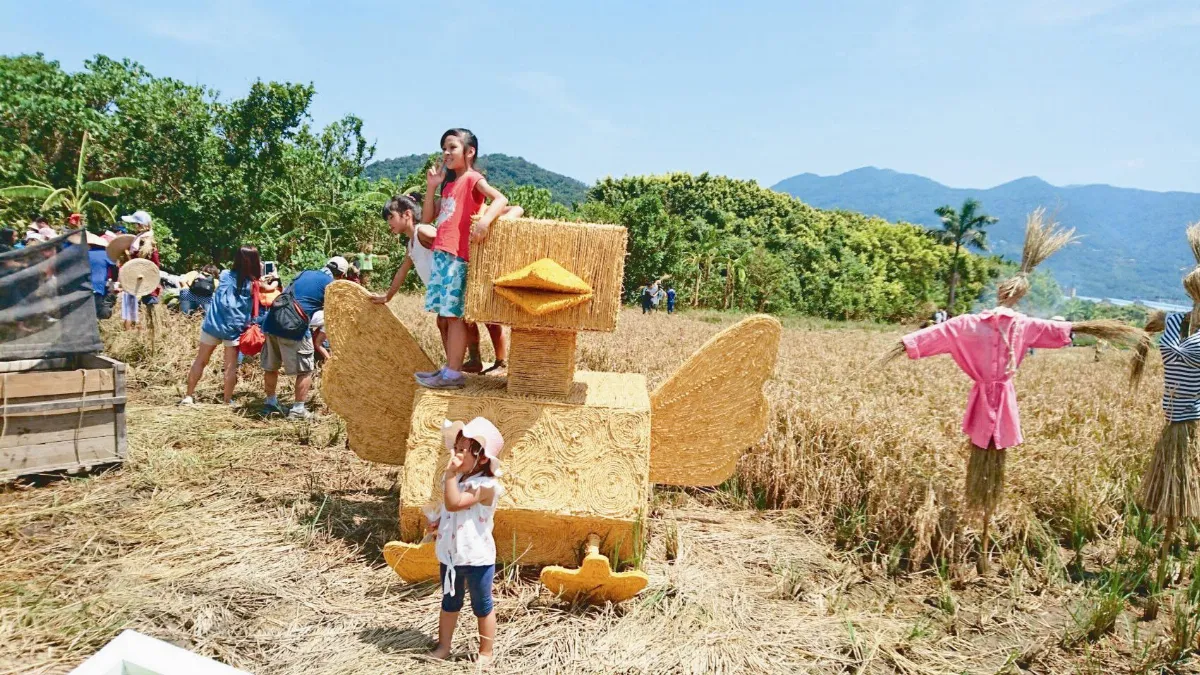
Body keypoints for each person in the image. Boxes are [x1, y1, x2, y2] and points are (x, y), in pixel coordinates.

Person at [372, 194, 509, 375]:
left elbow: (448, 241)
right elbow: (402, 271)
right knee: (446, 321)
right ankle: (461, 364)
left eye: (391, 217)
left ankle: (501, 361)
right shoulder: (411, 244)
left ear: (407, 214)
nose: (389, 223)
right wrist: (387, 296)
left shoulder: (423, 231)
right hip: (446, 288)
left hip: (457, 279)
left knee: (485, 319)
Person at [416, 128, 509, 389]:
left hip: (458, 256)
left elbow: (500, 198)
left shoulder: (472, 178)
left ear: (470, 152)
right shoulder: (449, 185)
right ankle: (450, 369)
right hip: (443, 254)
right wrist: (432, 187)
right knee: (447, 314)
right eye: (444, 148)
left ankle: (453, 374)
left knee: (454, 316)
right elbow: (426, 219)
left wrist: (486, 222)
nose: (446, 152)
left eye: (452, 147)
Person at [428, 417, 505, 663]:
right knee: (450, 602)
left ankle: (486, 652)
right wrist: (438, 522)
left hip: (477, 557)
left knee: (482, 605)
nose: (456, 454)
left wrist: (450, 473)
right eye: (456, 448)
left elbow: (456, 503)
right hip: (451, 555)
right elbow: (448, 507)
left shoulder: (485, 486)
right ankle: (444, 646)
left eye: (462, 450)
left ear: (481, 458)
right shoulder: (458, 480)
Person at [260, 257, 347, 419]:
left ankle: (270, 403)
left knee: (271, 366)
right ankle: (298, 409)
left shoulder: (305, 272)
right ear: (341, 275)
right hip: (293, 325)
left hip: (272, 320)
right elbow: (335, 312)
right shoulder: (332, 284)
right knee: (306, 369)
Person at [180, 247, 261, 407]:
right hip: (234, 330)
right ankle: (226, 400)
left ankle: (188, 396)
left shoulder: (224, 275)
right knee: (230, 368)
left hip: (213, 324)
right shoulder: (252, 284)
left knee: (200, 361)